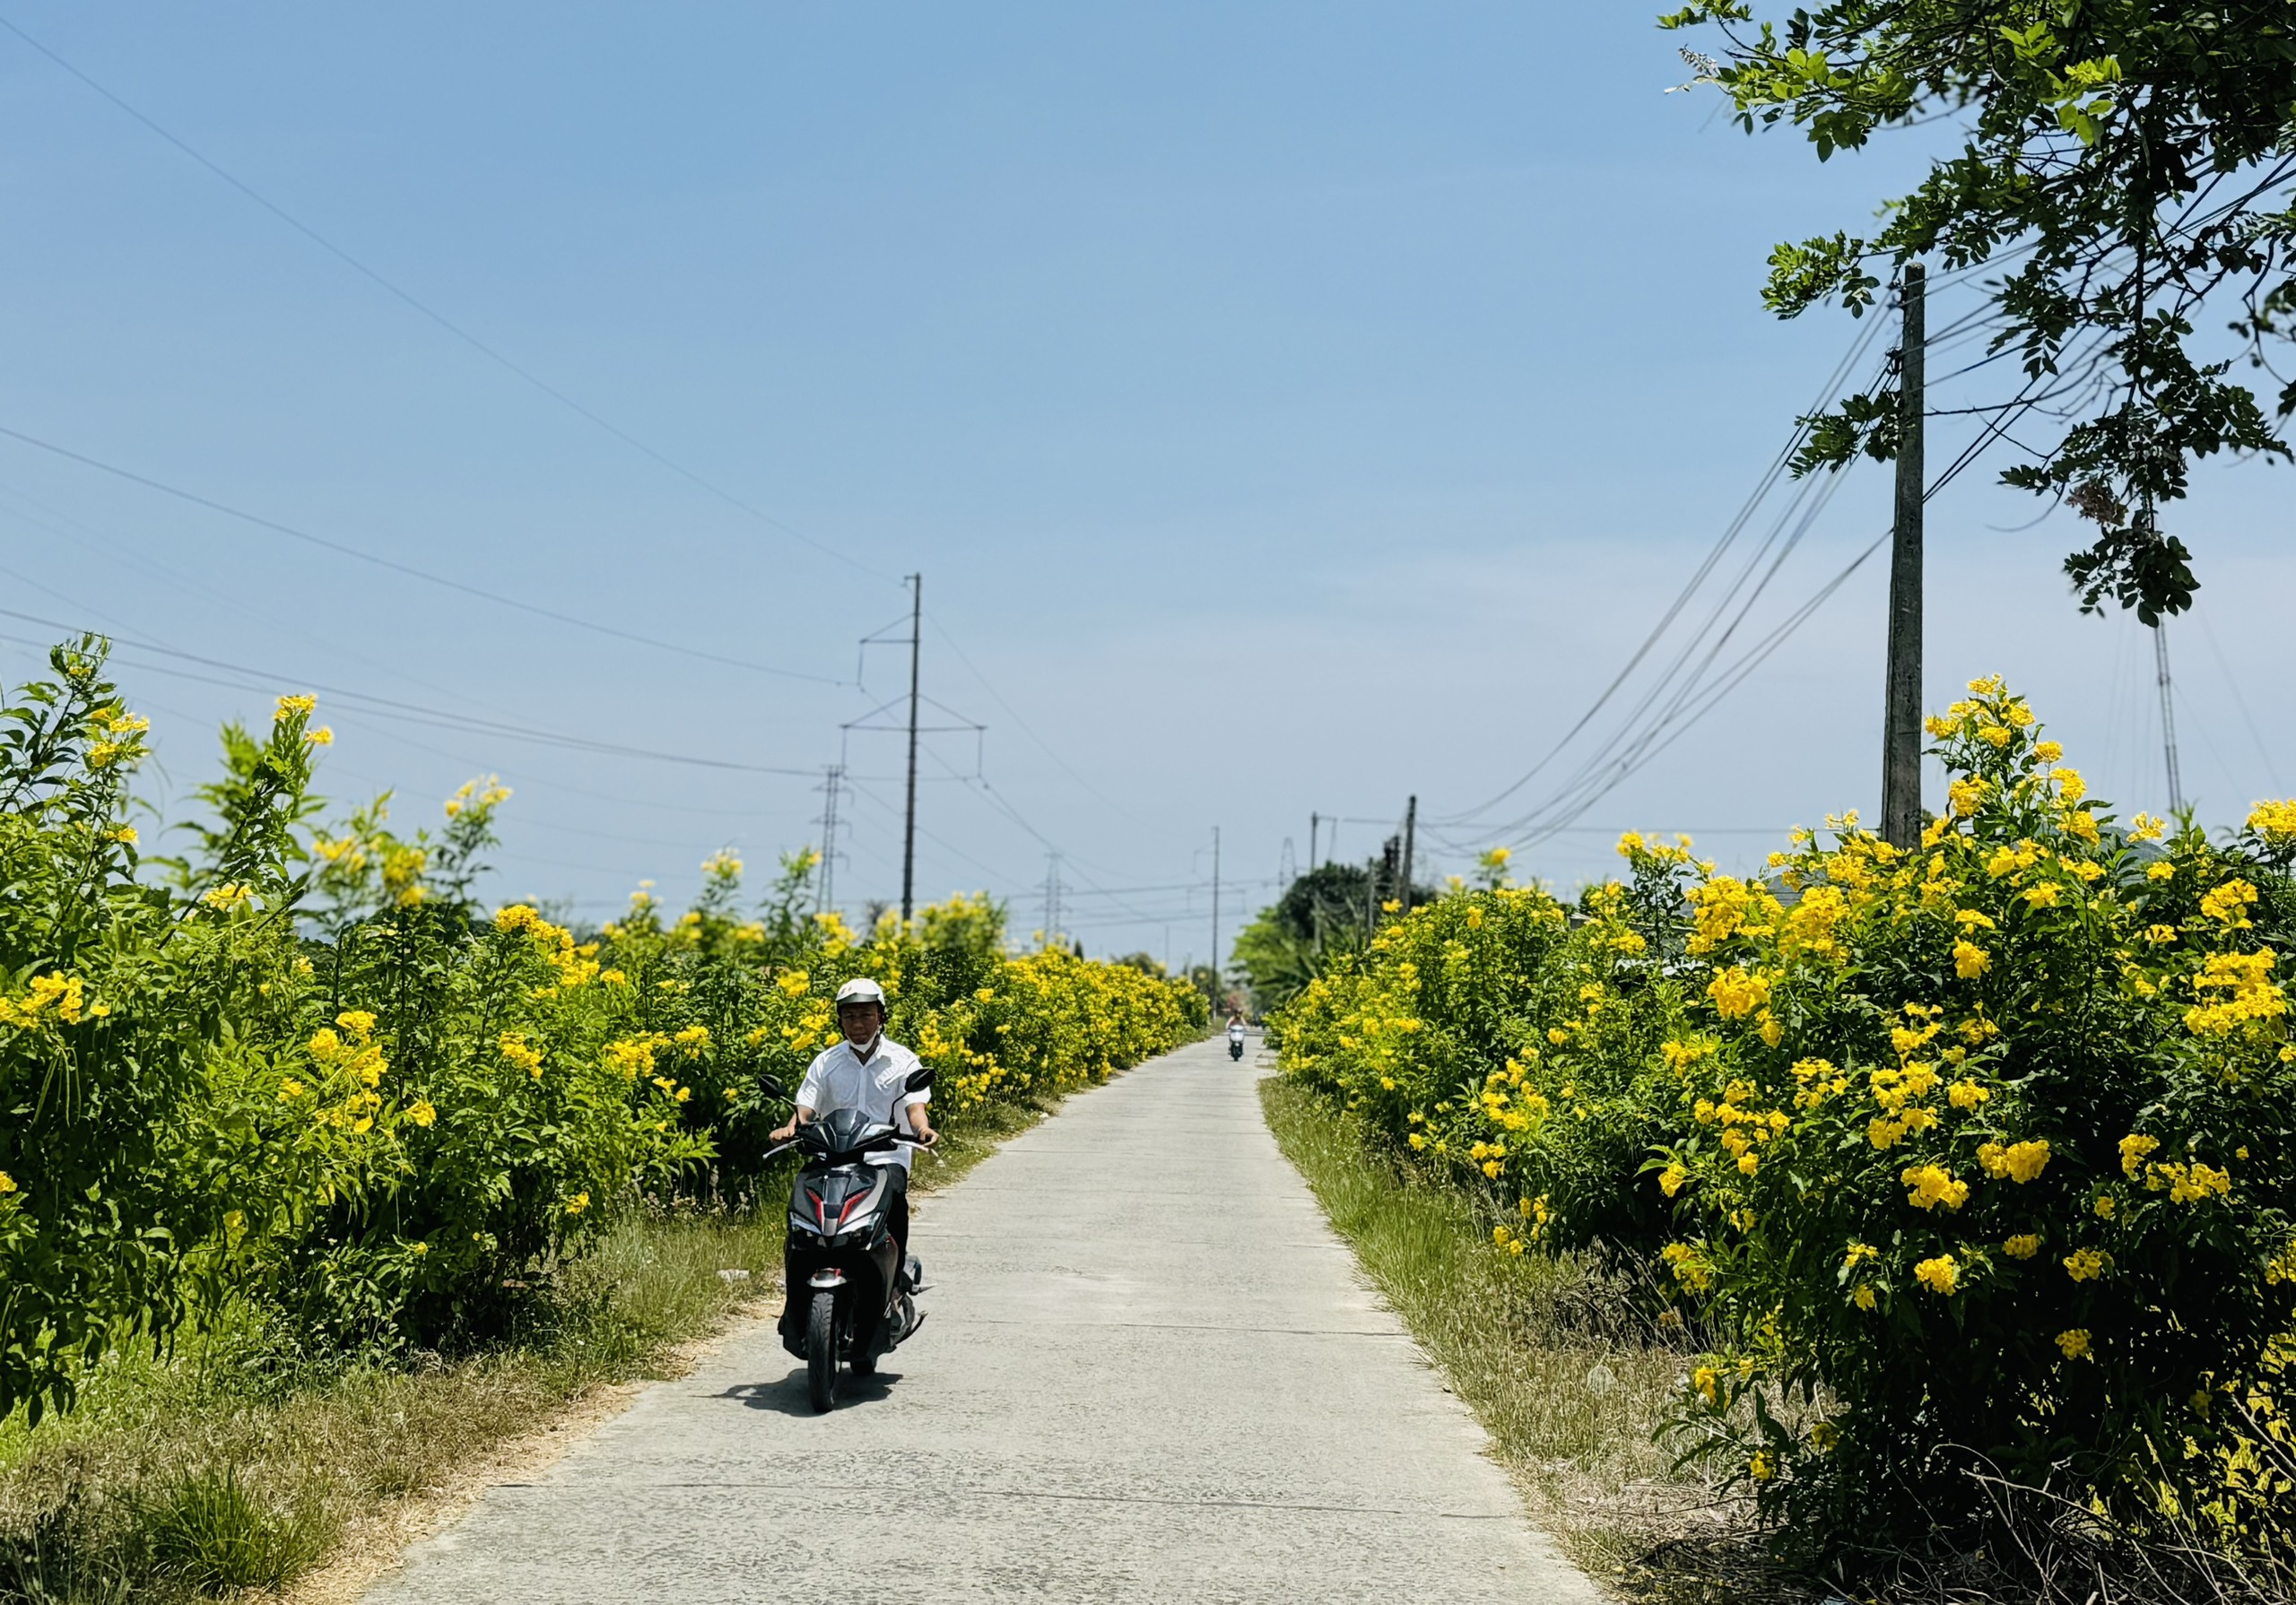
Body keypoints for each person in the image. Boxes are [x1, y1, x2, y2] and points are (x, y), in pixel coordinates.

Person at [771, 976, 935, 1282]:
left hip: (885, 1157)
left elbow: (915, 1107)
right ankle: (795, 1296)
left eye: (865, 1015)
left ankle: (894, 1279)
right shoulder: (826, 1062)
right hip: (835, 1155)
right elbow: (805, 1107)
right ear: (840, 1020)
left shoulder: (902, 1060)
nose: (857, 1023)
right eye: (849, 1016)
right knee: (801, 1205)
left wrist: (923, 1129)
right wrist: (791, 1128)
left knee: (895, 1199)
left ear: (881, 1017)